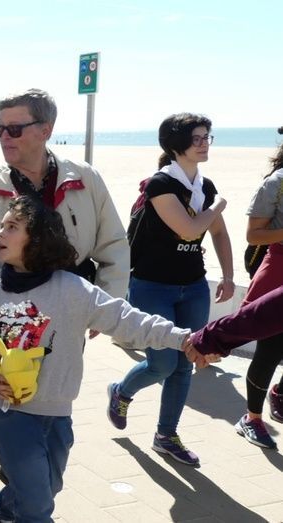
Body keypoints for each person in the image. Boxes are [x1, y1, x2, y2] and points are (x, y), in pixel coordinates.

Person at [0, 196, 190, 523]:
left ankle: (0, 506)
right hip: (8, 413)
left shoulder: (73, 290)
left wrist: (183, 339)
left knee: (48, 488)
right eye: (1, 226)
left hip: (58, 413)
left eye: (12, 227)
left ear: (38, 239)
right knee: (37, 507)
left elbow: (126, 319)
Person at [106, 113, 234, 466]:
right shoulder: (160, 184)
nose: (205, 143)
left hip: (193, 287)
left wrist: (228, 275)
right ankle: (121, 391)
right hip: (152, 287)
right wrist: (218, 206)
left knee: (184, 364)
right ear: (177, 144)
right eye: (197, 138)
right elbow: (190, 229)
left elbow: (219, 233)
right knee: (162, 364)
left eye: (207, 137)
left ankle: (166, 435)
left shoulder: (204, 187)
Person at [0, 88, 129, 306]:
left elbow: (114, 248)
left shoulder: (85, 178)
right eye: (0, 129)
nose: (4, 137)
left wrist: (104, 305)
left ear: (45, 131)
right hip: (10, 310)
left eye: (14, 129)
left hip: (74, 308)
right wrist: (8, 286)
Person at [211, 138, 283, 449]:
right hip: (279, 268)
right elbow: (254, 235)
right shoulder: (277, 183)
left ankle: (278, 393)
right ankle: (252, 418)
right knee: (270, 350)